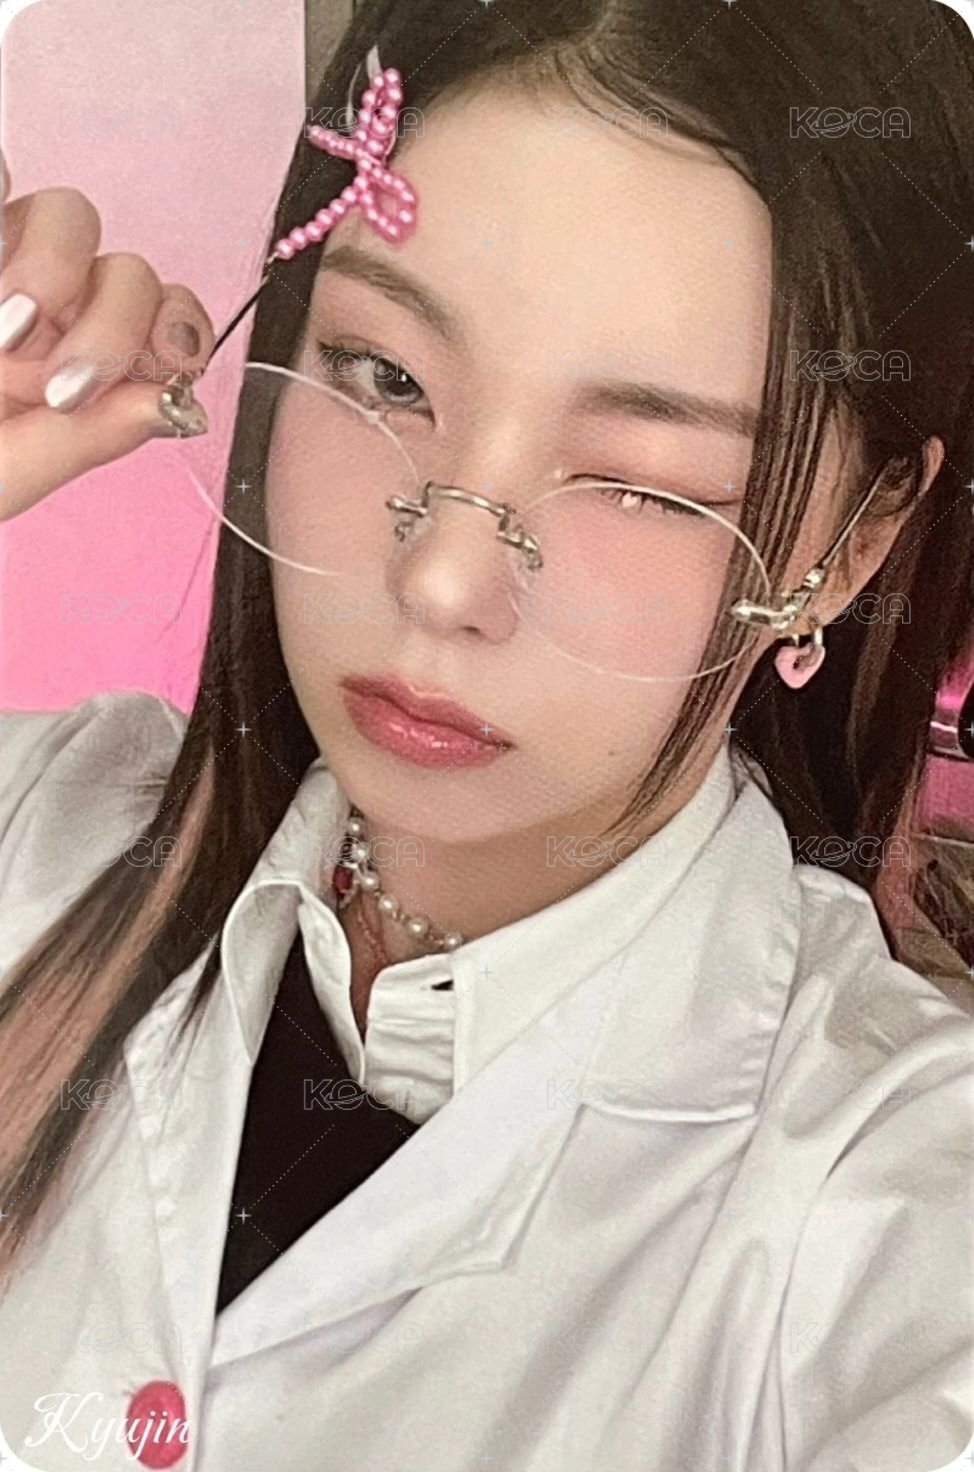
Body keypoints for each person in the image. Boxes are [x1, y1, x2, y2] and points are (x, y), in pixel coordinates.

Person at [0, 1, 972, 1468]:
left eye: (646, 482)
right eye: (384, 375)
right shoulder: (40, 830)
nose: (443, 580)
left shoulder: (893, 1203)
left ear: (851, 546)